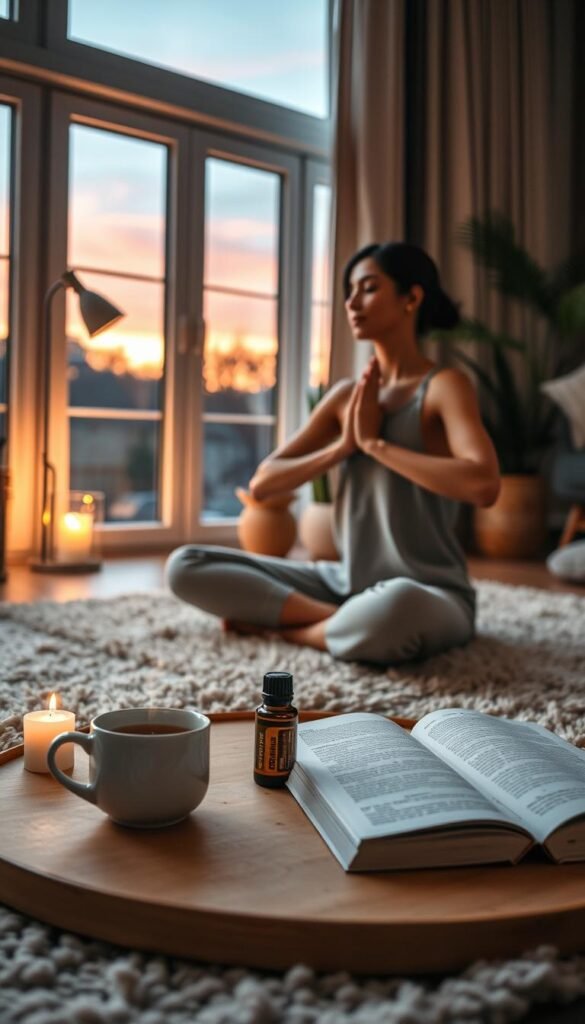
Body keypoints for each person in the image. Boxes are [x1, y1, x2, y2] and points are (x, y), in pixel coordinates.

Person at [166, 242, 500, 666]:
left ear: (411, 299)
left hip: (430, 592)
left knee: (395, 606)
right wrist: (343, 447)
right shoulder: (346, 398)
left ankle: (295, 630)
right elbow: (264, 484)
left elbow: (484, 484)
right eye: (349, 292)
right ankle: (342, 623)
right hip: (345, 582)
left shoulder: (444, 386)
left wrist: (377, 446)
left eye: (368, 288)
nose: (351, 302)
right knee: (185, 564)